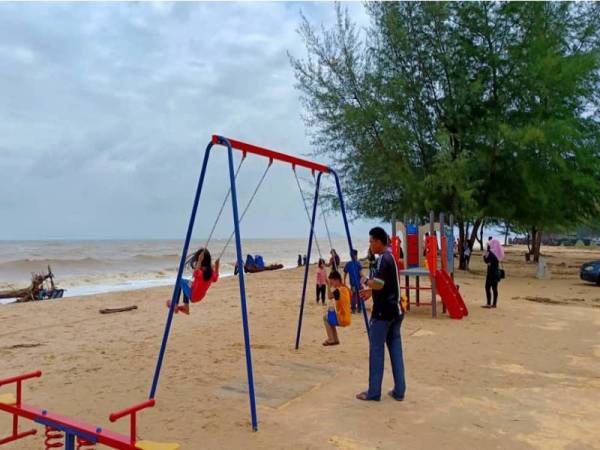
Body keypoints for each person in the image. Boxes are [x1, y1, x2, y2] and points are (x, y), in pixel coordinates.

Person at [357, 227, 406, 402]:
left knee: (376, 351)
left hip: (383, 314)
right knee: (395, 351)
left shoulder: (383, 259)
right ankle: (399, 390)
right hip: (396, 311)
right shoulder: (390, 256)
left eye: (371, 241)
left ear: (378, 241)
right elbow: (386, 284)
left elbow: (378, 283)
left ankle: (373, 392)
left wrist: (363, 279)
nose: (370, 245)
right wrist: (372, 291)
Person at [167, 248, 219, 315]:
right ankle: (186, 307)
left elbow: (196, 272)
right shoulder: (211, 273)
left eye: (197, 261)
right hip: (199, 296)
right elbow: (215, 279)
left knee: (179, 280)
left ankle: (175, 304)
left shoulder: (200, 274)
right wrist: (217, 266)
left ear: (199, 262)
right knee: (186, 282)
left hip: (193, 295)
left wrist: (199, 260)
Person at [322, 270, 351, 346]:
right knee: (330, 317)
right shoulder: (345, 288)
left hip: (342, 319)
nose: (332, 285)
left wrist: (328, 284)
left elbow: (329, 296)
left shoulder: (339, 290)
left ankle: (331, 339)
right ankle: (336, 339)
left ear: (337, 280)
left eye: (332, 282)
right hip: (347, 318)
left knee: (326, 318)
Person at [483, 238, 504, 308]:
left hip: (491, 273)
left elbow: (486, 260)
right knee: (495, 289)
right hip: (496, 272)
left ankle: (488, 303)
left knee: (487, 287)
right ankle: (494, 304)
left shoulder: (491, 253)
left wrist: (484, 255)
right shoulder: (498, 253)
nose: (489, 245)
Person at [344, 249, 364, 314]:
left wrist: (344, 280)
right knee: (358, 296)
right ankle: (359, 309)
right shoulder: (358, 263)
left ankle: (353, 309)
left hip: (353, 283)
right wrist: (365, 280)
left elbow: (345, 273)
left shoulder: (348, 264)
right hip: (358, 283)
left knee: (354, 295)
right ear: (355, 256)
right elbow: (361, 274)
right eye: (356, 255)